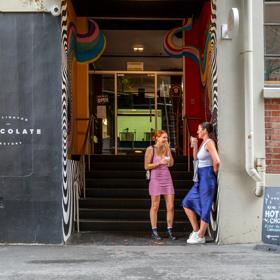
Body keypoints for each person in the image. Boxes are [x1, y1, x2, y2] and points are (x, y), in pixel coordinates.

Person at [182, 122, 220, 244]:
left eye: (199, 129)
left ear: (205, 130)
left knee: (205, 205)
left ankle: (201, 235)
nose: (197, 131)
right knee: (186, 202)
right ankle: (196, 230)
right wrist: (194, 146)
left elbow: (217, 161)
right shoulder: (203, 142)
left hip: (207, 177)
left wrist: (212, 173)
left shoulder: (209, 142)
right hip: (200, 178)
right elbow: (196, 159)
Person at [144, 130, 176, 241]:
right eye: (163, 137)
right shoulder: (150, 149)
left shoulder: (166, 149)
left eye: (166, 138)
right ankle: (154, 231)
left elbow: (171, 164)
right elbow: (146, 166)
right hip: (156, 179)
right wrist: (159, 162)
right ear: (157, 138)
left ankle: (170, 230)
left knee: (171, 206)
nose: (165, 140)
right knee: (155, 206)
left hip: (167, 178)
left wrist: (168, 150)